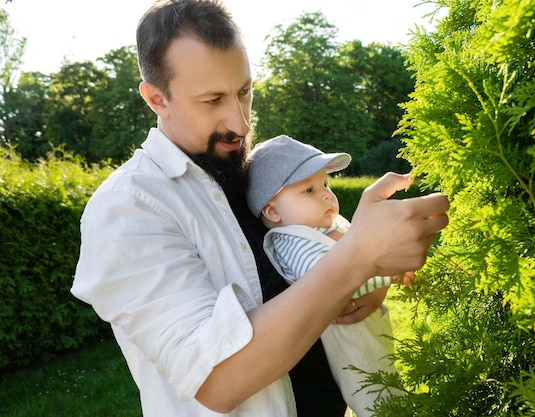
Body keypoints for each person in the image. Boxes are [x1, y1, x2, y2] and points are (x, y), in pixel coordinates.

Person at [70, 1, 450, 416]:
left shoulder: (248, 173)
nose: (241, 123)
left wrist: (365, 283)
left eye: (244, 92)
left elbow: (312, 267)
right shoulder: (126, 209)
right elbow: (216, 379)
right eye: (213, 100)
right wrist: (356, 259)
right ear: (156, 98)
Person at [247, 135, 409, 416]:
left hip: (362, 329)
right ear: (272, 211)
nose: (325, 194)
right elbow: (328, 276)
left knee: (389, 389)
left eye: (325, 183)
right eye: (308, 190)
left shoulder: (322, 227)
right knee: (380, 403)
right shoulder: (290, 240)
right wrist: (385, 269)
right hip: (347, 343)